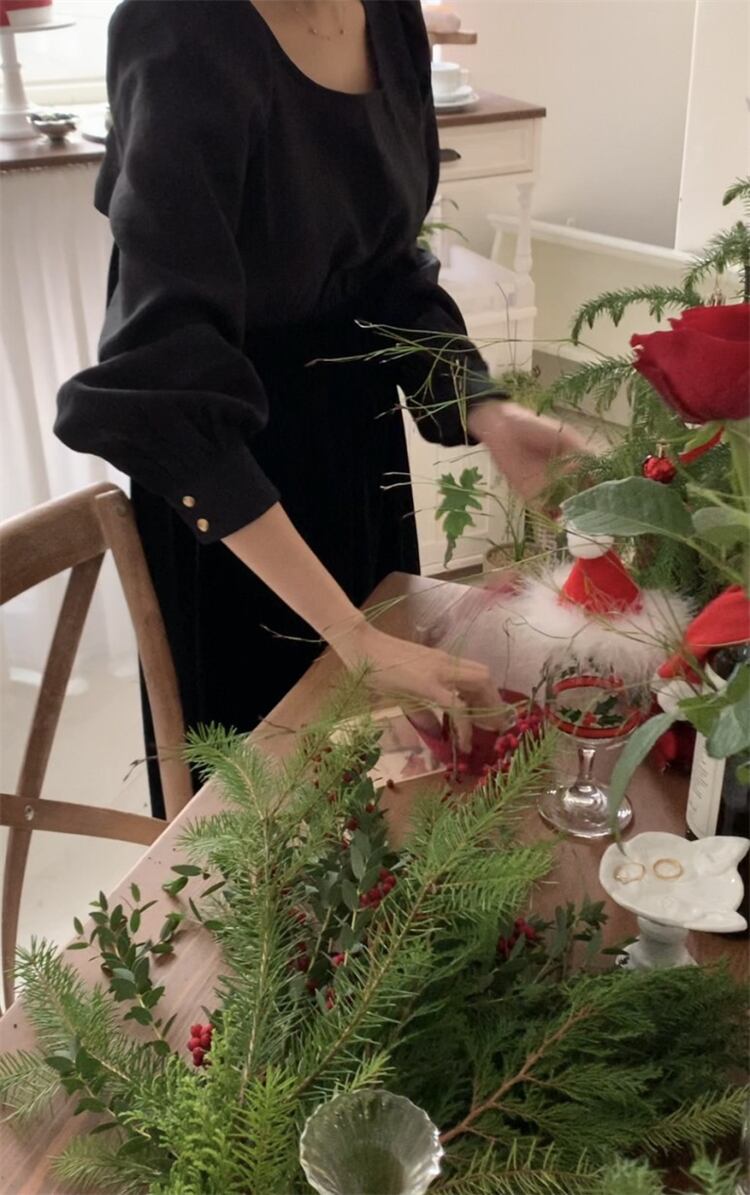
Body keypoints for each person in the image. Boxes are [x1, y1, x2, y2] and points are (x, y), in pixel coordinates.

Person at [55, 0, 584, 816]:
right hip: (237, 499)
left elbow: (382, 268)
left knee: (386, 797)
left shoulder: (389, 16)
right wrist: (352, 635)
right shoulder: (178, 29)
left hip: (356, 453)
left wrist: (484, 409)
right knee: (268, 824)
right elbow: (163, 381)